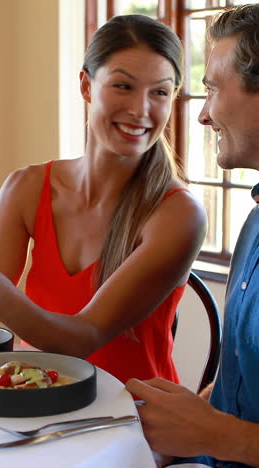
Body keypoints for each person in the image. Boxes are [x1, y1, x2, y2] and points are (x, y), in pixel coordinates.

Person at [0, 15, 206, 386]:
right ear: (86, 85)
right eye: (123, 86)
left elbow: (82, 338)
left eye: (159, 92)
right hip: (34, 401)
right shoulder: (26, 188)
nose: (141, 109)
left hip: (136, 424)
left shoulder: (179, 214)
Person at [126, 3, 259, 467]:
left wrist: (216, 434)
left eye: (213, 89)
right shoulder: (255, 221)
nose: (201, 116)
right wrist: (192, 414)